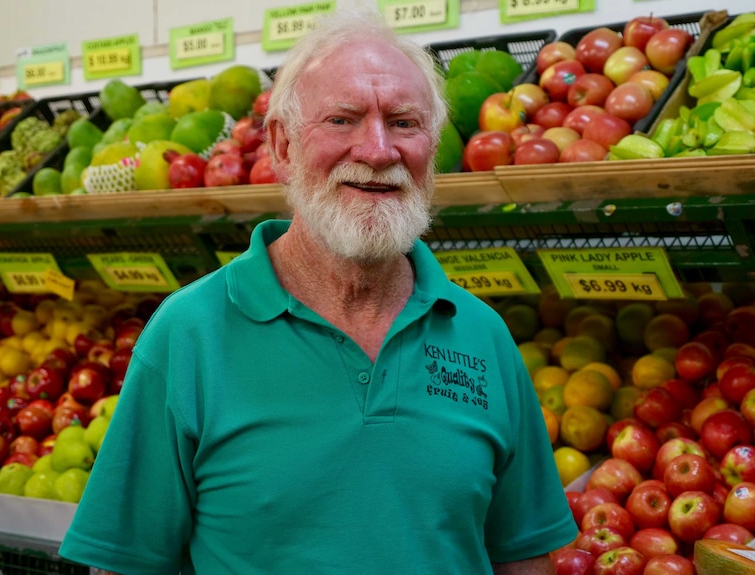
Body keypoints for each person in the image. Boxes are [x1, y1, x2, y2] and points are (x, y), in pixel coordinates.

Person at [59, 6, 577, 574]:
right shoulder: (188, 335)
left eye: (405, 123)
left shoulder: (484, 336)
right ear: (281, 147)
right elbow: (125, 564)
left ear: (432, 151)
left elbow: (523, 555)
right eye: (342, 120)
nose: (378, 151)